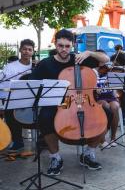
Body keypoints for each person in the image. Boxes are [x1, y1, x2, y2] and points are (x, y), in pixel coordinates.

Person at [30, 29, 109, 176]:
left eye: (67, 46)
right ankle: (56, 157)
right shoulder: (45, 64)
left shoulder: (79, 58)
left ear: (72, 45)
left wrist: (89, 53)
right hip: (56, 103)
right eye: (60, 46)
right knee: (45, 117)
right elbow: (33, 85)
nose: (64, 49)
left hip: (82, 100)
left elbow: (105, 59)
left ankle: (88, 153)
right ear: (55, 44)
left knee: (107, 115)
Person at [2, 39, 34, 152]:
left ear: (33, 52)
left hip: (32, 98)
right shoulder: (10, 67)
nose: (27, 52)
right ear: (20, 50)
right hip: (15, 98)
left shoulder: (36, 66)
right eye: (24, 49)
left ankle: (43, 140)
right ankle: (18, 141)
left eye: (29, 50)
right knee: (9, 111)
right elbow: (3, 83)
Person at [94, 50, 119, 148]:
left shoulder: (109, 70)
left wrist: (113, 83)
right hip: (98, 97)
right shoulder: (92, 70)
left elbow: (116, 87)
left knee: (115, 106)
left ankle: (113, 137)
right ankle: (102, 138)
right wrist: (95, 90)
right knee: (105, 106)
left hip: (110, 96)